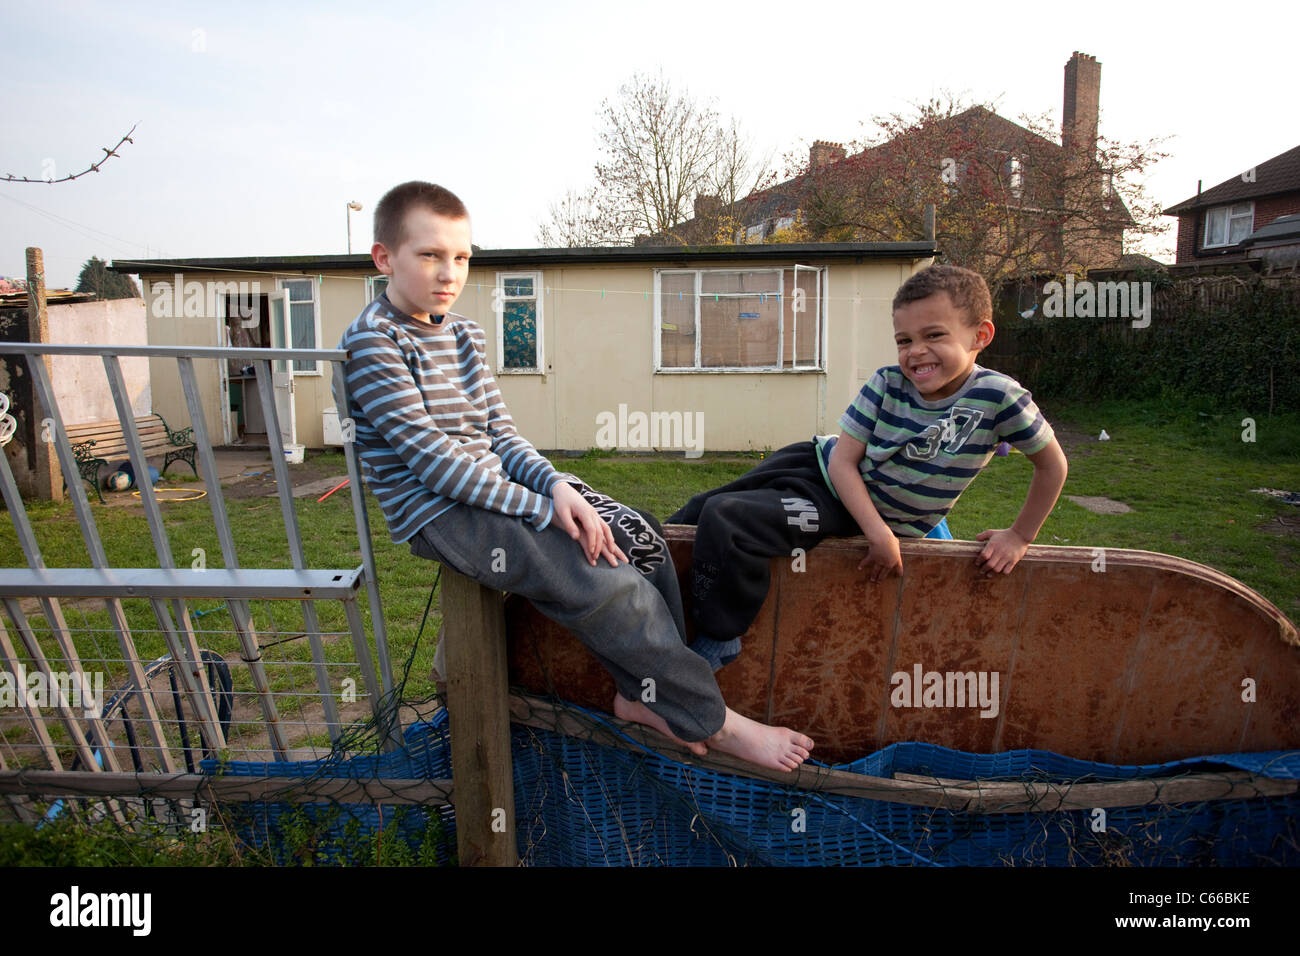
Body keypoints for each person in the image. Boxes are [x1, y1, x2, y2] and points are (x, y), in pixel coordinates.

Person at [335, 181, 814, 772]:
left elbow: (503, 438)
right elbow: (435, 462)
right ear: (385, 257)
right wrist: (542, 510)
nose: (448, 273)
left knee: (637, 536)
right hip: (441, 512)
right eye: (429, 254)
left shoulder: (464, 334)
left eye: (461, 257)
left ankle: (645, 698)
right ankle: (714, 723)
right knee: (606, 582)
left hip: (498, 489)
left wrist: (558, 486)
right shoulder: (373, 342)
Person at [669, 263, 1069, 670]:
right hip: (817, 469)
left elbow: (1052, 466)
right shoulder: (887, 383)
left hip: (841, 509)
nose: (915, 351)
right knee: (701, 508)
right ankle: (637, 557)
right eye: (904, 339)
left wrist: (1020, 535)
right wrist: (879, 532)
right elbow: (843, 461)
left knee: (728, 518)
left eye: (934, 335)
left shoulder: (999, 398)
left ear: (979, 336)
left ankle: (719, 639)